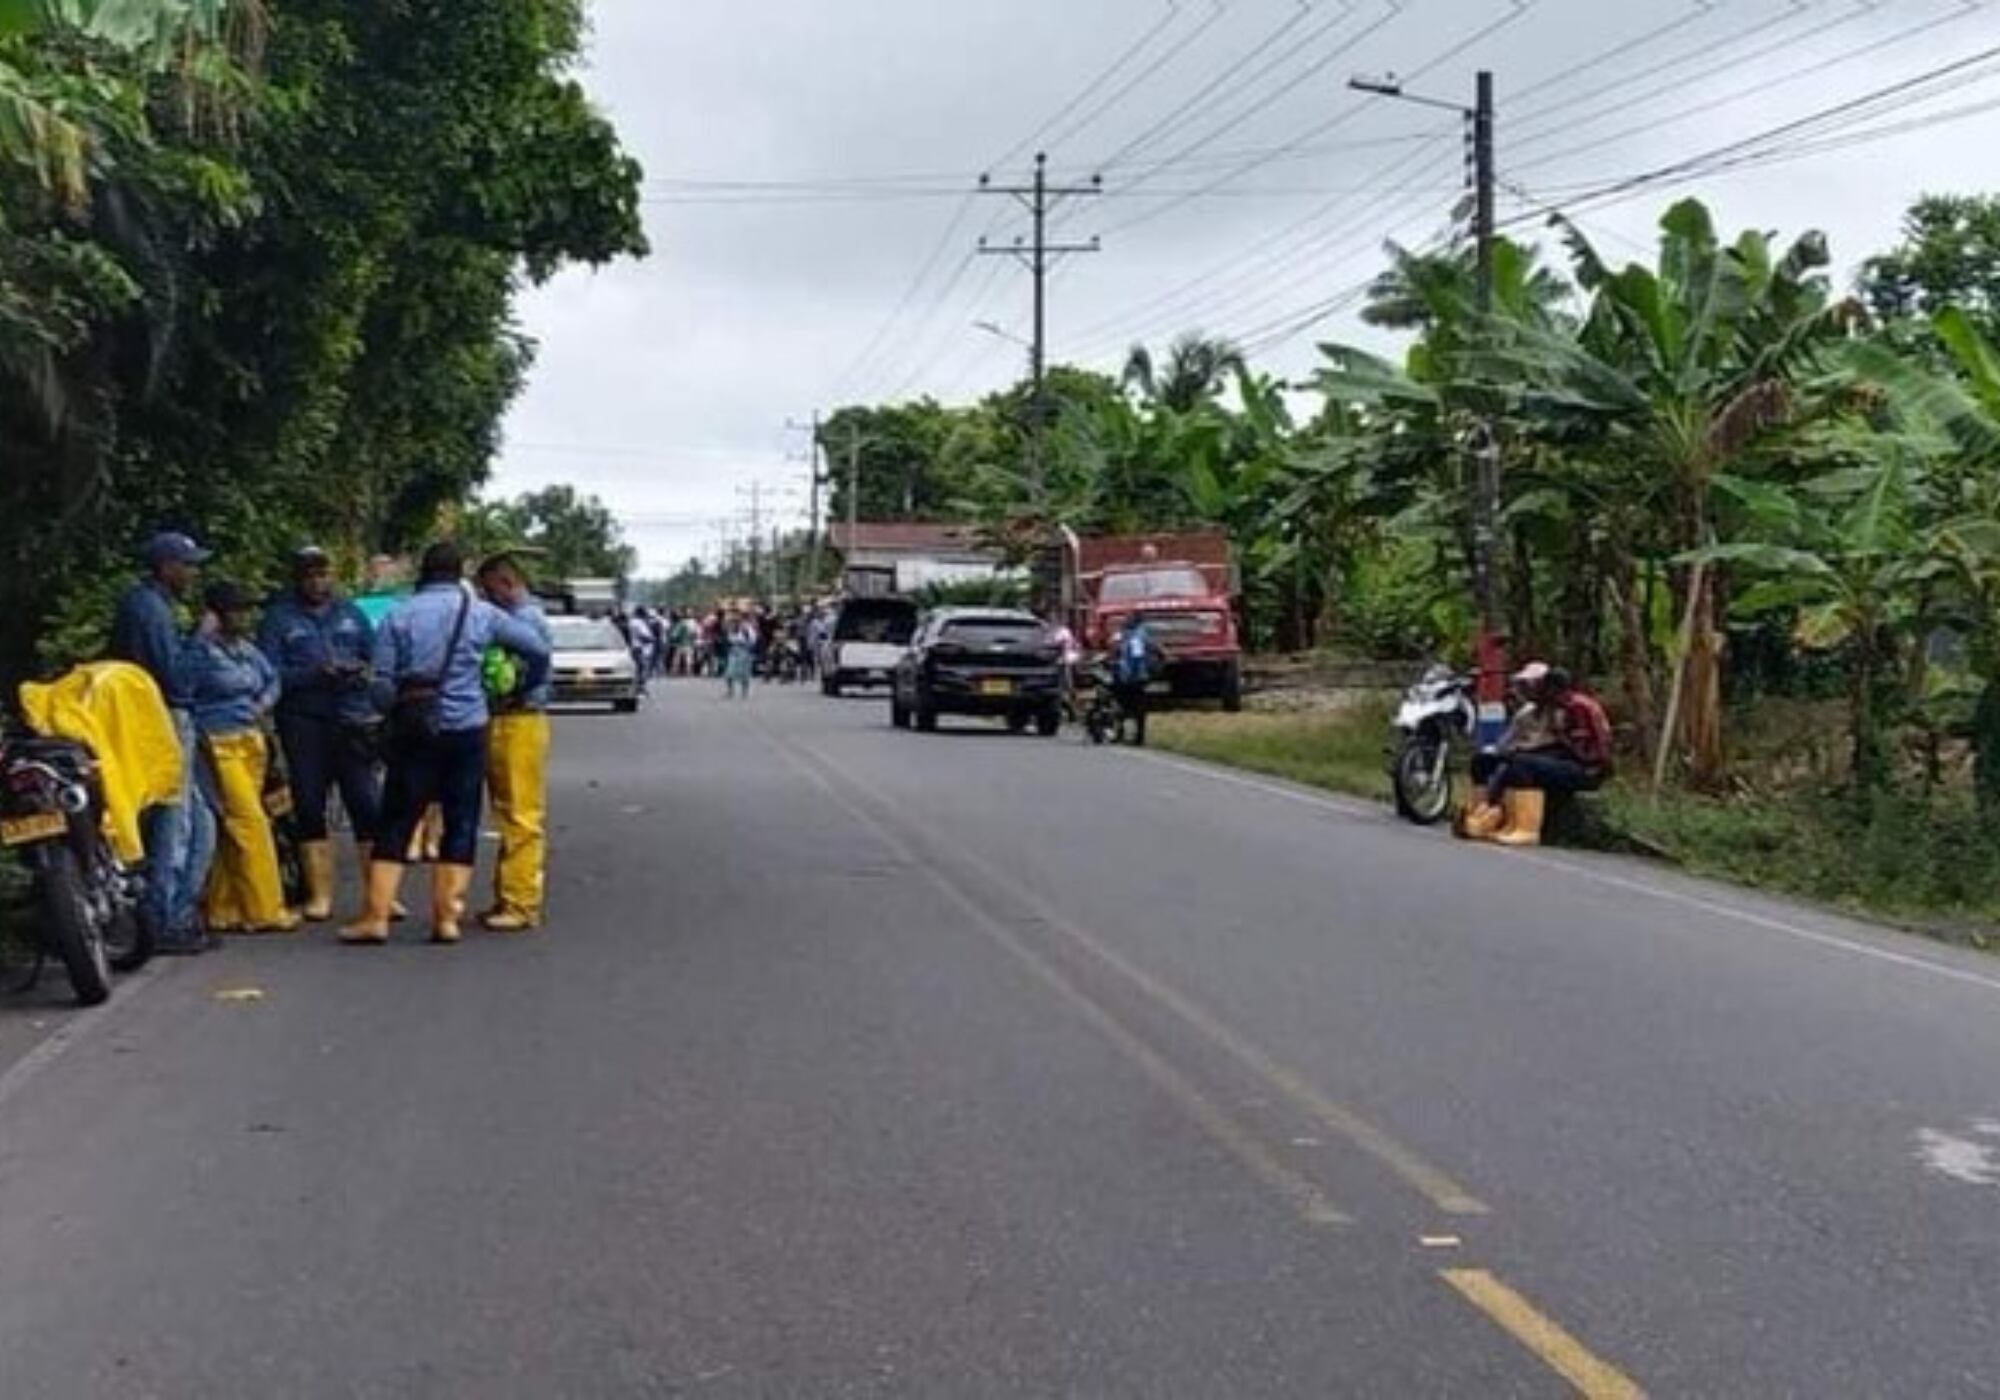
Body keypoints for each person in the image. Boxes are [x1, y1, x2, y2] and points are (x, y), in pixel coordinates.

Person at [341, 541, 550, 946]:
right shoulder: (482, 613)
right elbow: (537, 650)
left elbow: (381, 683)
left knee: (398, 818)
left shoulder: (399, 616)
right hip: (468, 728)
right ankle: (446, 919)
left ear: (424, 571)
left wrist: (393, 710)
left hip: (414, 730)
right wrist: (523, 685)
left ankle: (376, 916)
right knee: (461, 819)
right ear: (458, 575)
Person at [258, 547, 383, 922]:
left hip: (351, 719)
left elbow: (375, 659)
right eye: (309, 575)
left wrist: (359, 672)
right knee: (309, 804)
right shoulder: (279, 620)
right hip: (303, 722)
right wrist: (314, 673)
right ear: (298, 579)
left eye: (323, 574)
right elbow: (268, 675)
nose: (317, 581)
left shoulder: (351, 614)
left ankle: (379, 894)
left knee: (366, 804)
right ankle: (320, 895)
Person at [108, 531, 217, 955]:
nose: (192, 573)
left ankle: (179, 912)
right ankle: (163, 919)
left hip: (169, 713)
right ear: (166, 567)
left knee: (200, 820)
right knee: (178, 820)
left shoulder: (154, 605)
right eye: (187, 565)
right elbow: (174, 676)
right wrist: (202, 638)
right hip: (164, 715)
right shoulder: (149, 609)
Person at [188, 581, 300, 934]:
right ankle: (266, 909)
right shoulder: (200, 651)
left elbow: (272, 680)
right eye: (237, 610)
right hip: (218, 742)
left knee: (234, 826)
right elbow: (181, 684)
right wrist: (198, 638)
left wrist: (260, 705)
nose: (244, 616)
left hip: (251, 740)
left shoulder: (247, 649)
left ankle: (225, 907)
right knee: (250, 824)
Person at [474, 552, 553, 932]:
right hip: (507, 720)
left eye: (488, 591)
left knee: (521, 814)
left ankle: (522, 903)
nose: (485, 599)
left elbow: (537, 660)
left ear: (506, 584)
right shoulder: (518, 617)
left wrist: (520, 689)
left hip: (520, 719)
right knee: (506, 811)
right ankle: (508, 895)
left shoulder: (524, 620)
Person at [1463, 663, 1613, 847]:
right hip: (1566, 759)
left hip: (1587, 768)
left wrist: (1530, 752)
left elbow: (1582, 751)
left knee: (1522, 765)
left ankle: (1525, 828)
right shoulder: (1547, 708)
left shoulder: (1575, 707)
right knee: (1492, 761)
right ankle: (1486, 814)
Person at [1111, 614, 1162, 747]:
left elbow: (1136, 657)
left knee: (1123, 705)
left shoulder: (1134, 637)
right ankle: (1137, 735)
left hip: (1130, 676)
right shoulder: (1143, 635)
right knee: (1137, 707)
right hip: (1139, 677)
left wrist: (1130, 674)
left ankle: (1125, 734)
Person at [722, 612, 757, 700]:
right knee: (729, 673)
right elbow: (729, 640)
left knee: (744, 674)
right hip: (734, 652)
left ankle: (744, 692)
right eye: (732, 622)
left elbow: (753, 641)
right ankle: (730, 691)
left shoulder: (747, 629)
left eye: (735, 621)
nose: (733, 623)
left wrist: (744, 644)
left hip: (744, 653)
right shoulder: (731, 630)